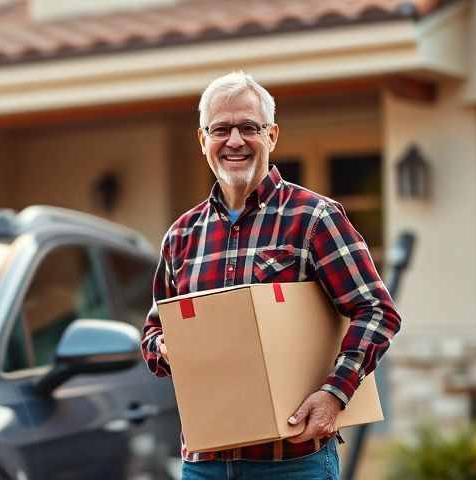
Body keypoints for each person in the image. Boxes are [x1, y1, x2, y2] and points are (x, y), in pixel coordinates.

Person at [140, 71, 402, 480]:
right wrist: (168, 347)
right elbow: (153, 332)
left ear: (272, 136)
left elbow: (377, 311)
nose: (235, 141)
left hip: (293, 463)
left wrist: (335, 393)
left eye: (249, 127)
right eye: (221, 129)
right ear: (202, 141)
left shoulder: (315, 218)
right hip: (203, 463)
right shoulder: (181, 236)